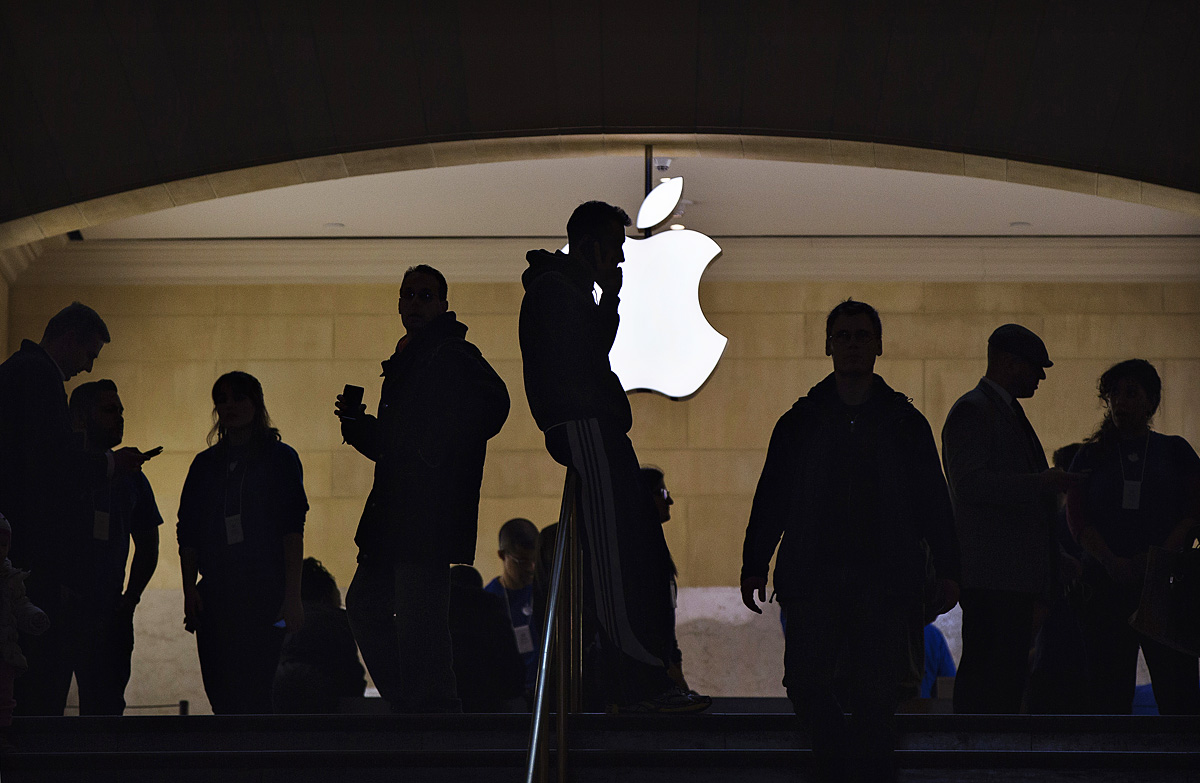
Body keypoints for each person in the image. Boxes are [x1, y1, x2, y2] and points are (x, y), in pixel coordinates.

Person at [741, 299, 959, 783]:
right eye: (845, 335)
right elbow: (771, 496)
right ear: (829, 345)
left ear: (878, 344)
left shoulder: (897, 423)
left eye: (862, 335)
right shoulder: (805, 422)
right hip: (826, 579)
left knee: (874, 699)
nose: (854, 344)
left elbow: (932, 502)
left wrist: (948, 568)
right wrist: (754, 560)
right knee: (814, 687)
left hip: (876, 582)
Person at [519, 201, 708, 714]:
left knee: (626, 549)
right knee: (614, 561)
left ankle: (645, 678)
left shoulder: (568, 290)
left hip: (593, 427)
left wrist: (609, 300)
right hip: (585, 427)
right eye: (616, 248)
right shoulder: (554, 290)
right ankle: (641, 682)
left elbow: (590, 350)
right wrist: (606, 302)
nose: (620, 259)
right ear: (591, 246)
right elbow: (584, 358)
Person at [335, 264, 509, 713]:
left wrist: (438, 449)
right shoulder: (416, 357)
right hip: (402, 513)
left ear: (443, 304)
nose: (415, 302)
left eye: (425, 295)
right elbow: (400, 447)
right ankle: (417, 706)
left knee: (418, 621)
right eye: (408, 294)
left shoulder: (448, 352)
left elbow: (494, 402)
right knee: (378, 608)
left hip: (422, 515)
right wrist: (360, 428)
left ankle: (429, 710)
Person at [0, 302, 146, 715]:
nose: (87, 368)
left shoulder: (18, 370)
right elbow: (49, 465)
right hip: (29, 550)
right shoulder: (39, 375)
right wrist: (111, 464)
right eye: (89, 355)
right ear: (69, 340)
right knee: (36, 691)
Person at [941, 323, 1084, 714]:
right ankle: (974, 762)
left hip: (1009, 577)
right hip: (993, 577)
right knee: (988, 681)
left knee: (1003, 682)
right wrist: (1042, 482)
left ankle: (986, 759)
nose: (1041, 376)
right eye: (1035, 366)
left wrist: (1054, 555)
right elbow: (970, 485)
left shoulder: (1001, 411)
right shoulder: (973, 411)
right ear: (1007, 362)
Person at [1066, 359, 1200, 714]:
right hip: (1106, 588)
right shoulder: (1091, 455)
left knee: (1178, 693)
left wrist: (1158, 557)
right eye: (1114, 394)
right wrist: (1111, 562)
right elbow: (1077, 518)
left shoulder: (1175, 451)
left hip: (1165, 588)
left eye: (1130, 393)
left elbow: (1193, 512)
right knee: (1107, 694)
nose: (1120, 402)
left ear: (1150, 402)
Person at [178, 371, 307, 714]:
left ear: (256, 404)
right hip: (218, 592)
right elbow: (187, 532)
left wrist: (293, 595)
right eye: (222, 399)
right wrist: (189, 589)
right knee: (222, 693)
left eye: (238, 398)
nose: (229, 405)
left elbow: (293, 529)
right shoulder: (205, 465)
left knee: (260, 691)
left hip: (266, 591)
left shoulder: (280, 459)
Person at [65, 380, 163, 715]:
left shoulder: (132, 476)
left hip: (110, 613)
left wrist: (130, 599)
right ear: (81, 417)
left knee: (105, 714)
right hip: (59, 609)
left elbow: (149, 543)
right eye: (109, 411)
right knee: (41, 708)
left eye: (121, 411)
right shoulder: (61, 471)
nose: (120, 418)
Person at [272, 558, 366, 714]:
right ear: (326, 597)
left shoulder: (278, 625)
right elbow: (353, 681)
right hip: (324, 711)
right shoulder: (336, 622)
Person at [638, 466, 691, 692]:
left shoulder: (655, 548)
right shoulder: (640, 553)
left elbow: (665, 617)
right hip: (650, 671)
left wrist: (674, 661)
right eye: (663, 494)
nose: (670, 502)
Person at [450, 565, 527, 712]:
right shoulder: (492, 609)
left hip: (449, 705)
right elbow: (512, 670)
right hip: (490, 705)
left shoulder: (436, 616)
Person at [0, 515, 50, 734]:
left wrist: (34, 616)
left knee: (4, 697)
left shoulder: (11, 578)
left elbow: (21, 604)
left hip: (5, 652)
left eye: (3, 544)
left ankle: (2, 734)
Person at [483, 518, 540, 699]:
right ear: (502, 555)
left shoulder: (544, 594)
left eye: (535, 560)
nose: (531, 568)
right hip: (507, 697)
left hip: (543, 692)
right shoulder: (489, 600)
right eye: (522, 561)